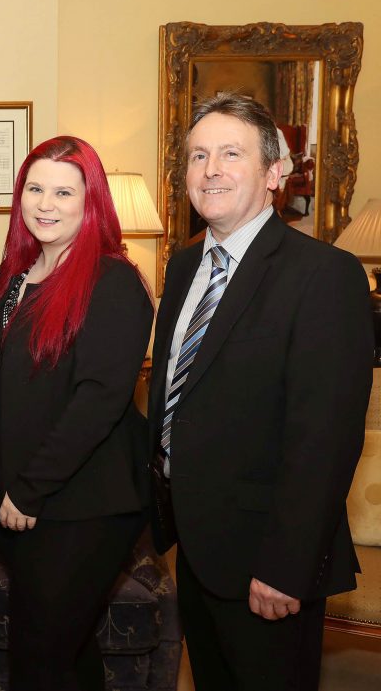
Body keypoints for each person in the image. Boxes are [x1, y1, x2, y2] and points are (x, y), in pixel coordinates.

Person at [148, 92, 373, 690]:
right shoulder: (182, 267)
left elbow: (323, 440)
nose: (211, 169)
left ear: (275, 174)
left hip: (266, 563)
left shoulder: (324, 276)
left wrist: (285, 567)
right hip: (196, 551)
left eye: (230, 153)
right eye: (198, 156)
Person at [0, 136, 153, 690]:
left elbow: (98, 401)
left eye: (63, 191)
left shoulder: (114, 280)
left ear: (91, 202)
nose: (45, 204)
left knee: (39, 660)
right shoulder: (12, 277)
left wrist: (31, 490)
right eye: (35, 188)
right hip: (22, 503)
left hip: (81, 507)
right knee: (67, 655)